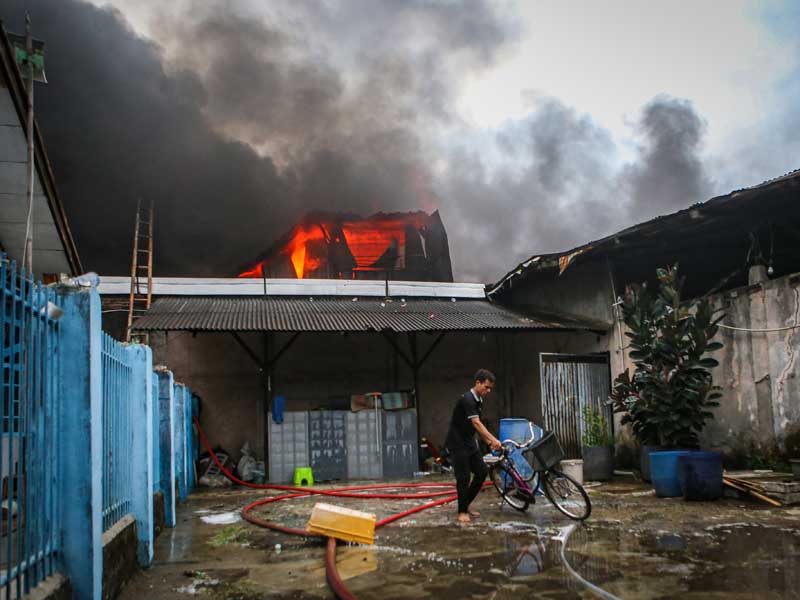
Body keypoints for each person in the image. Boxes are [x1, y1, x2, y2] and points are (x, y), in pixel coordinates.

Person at [444, 368, 502, 523]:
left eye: (490, 388)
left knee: (481, 472)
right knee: (463, 477)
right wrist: (493, 439)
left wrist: (488, 441)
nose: (488, 391)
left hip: (469, 441)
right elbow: (476, 423)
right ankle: (462, 511)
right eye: (486, 387)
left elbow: (475, 425)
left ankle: (466, 503)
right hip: (458, 443)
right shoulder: (467, 399)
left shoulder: (478, 400)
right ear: (477, 383)